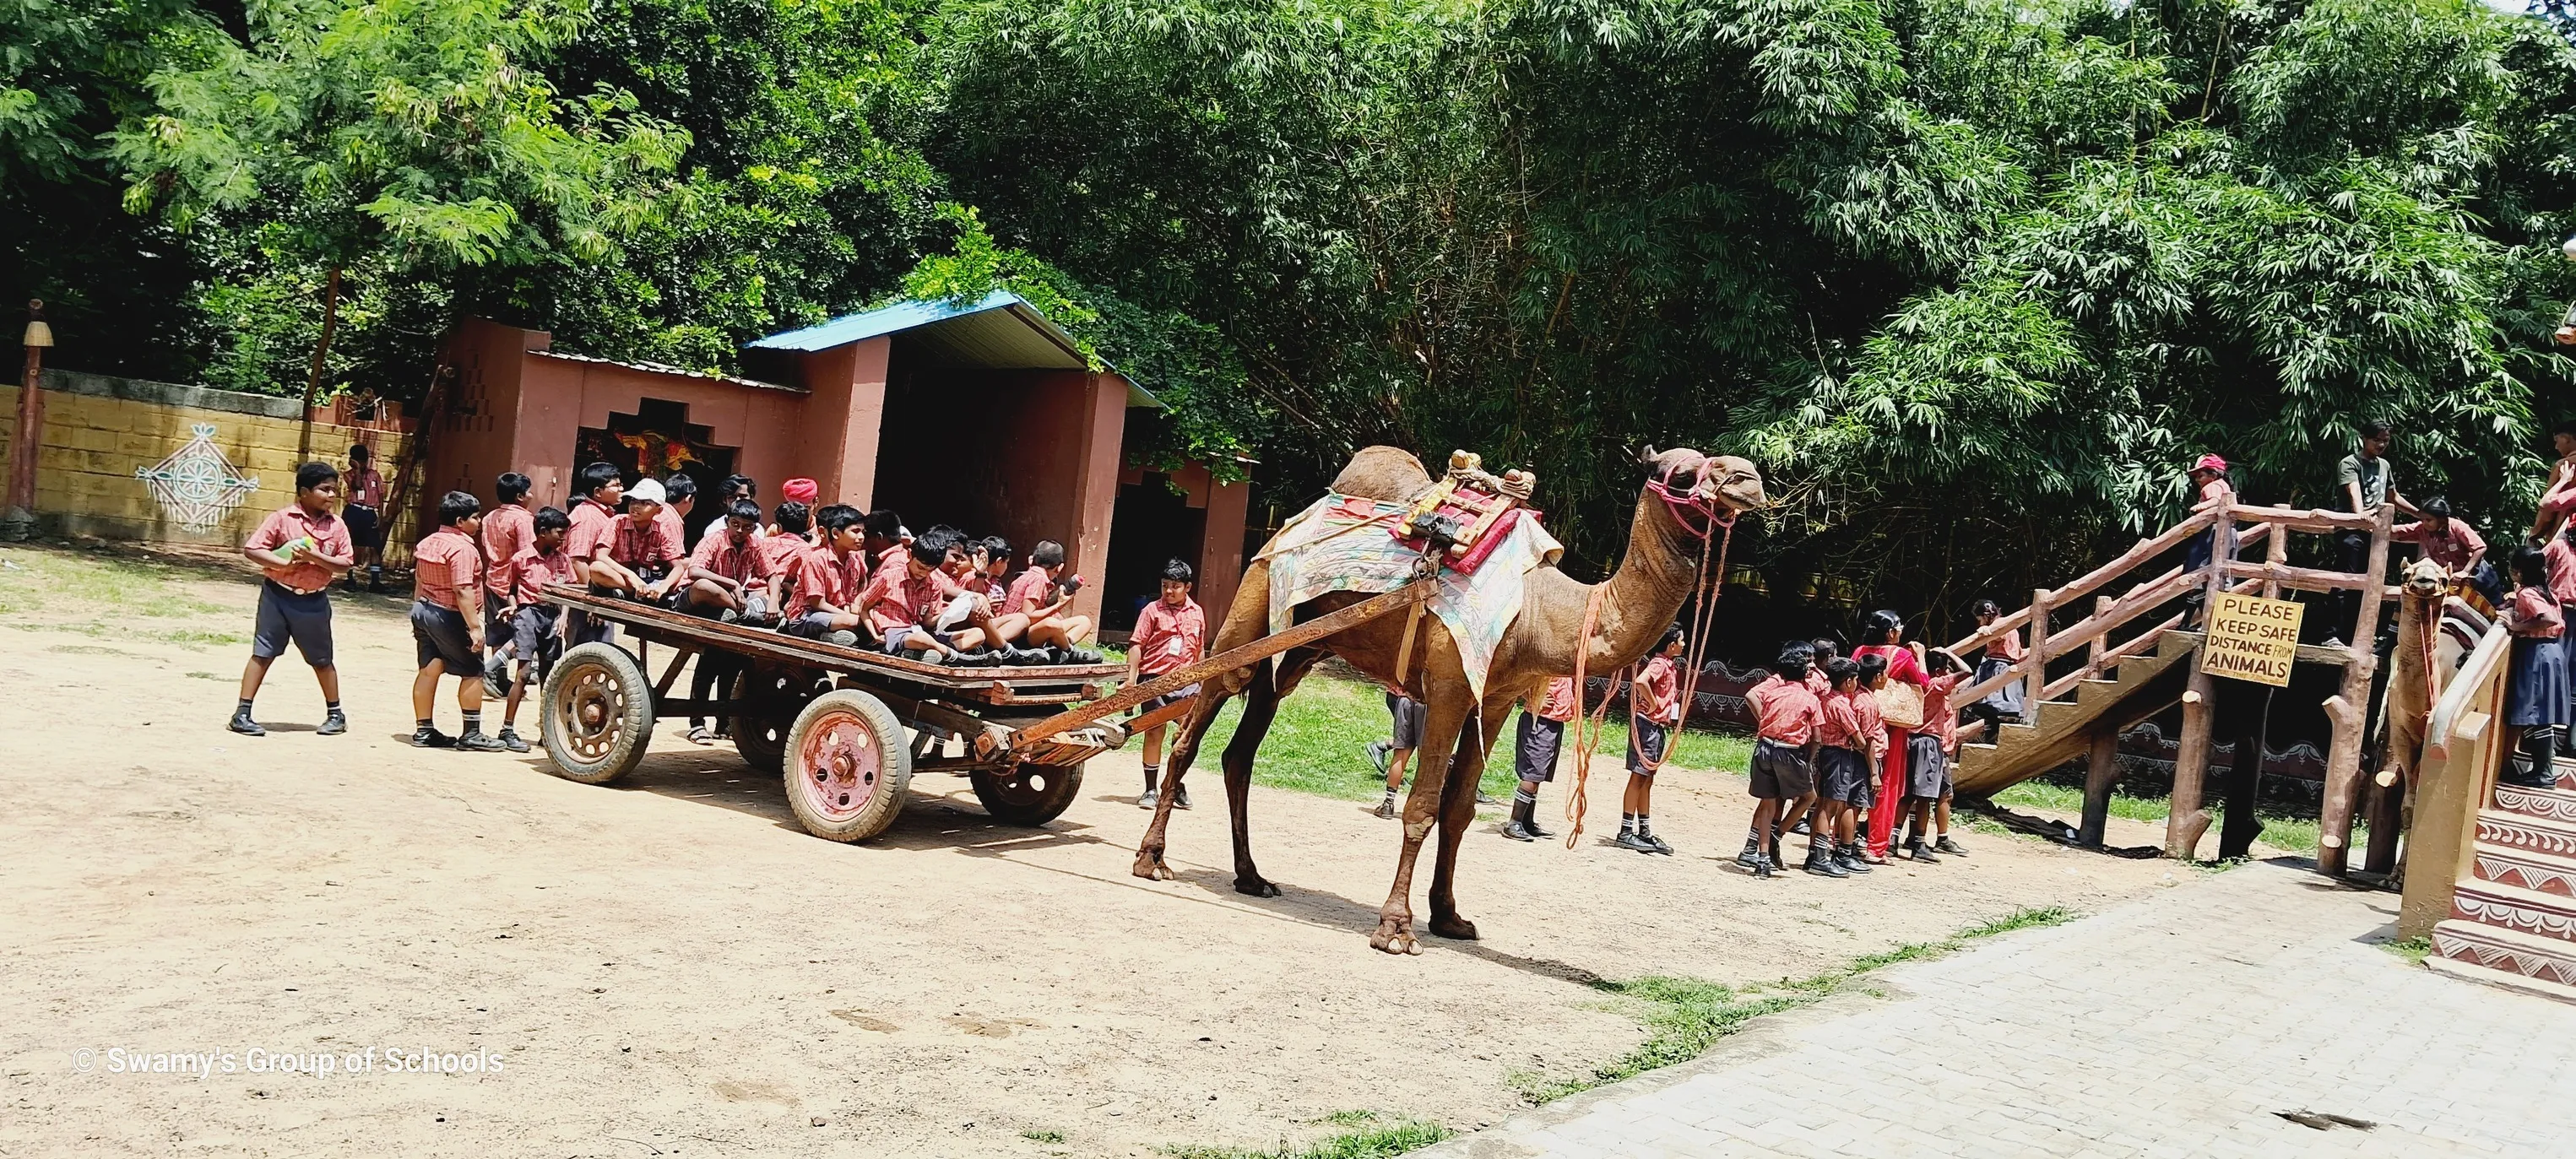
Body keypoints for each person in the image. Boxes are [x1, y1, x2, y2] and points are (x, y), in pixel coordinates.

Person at [231, 461, 354, 737]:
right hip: (277, 596)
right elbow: (253, 549)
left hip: (314, 602)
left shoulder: (337, 526)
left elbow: (345, 563)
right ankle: (242, 712)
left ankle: (336, 714)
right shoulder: (282, 519)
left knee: (322, 658)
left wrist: (314, 558)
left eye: (335, 491)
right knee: (263, 652)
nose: (332, 496)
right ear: (304, 492)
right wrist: (281, 564)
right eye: (324, 490)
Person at [409, 490, 503, 751]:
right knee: (473, 671)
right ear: (460, 521)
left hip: (423, 610)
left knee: (430, 668)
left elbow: (419, 580)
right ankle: (471, 734)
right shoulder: (462, 548)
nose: (480, 521)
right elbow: (463, 590)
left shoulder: (428, 542)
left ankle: (424, 730)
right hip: (448, 614)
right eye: (475, 517)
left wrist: (418, 612)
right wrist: (475, 627)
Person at [676, 499, 773, 745]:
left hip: (729, 611)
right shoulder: (714, 540)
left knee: (732, 661)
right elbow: (694, 572)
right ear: (727, 522)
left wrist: (773, 604)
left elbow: (772, 575)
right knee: (708, 664)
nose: (740, 531)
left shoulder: (754, 545)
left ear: (754, 528)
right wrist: (732, 584)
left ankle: (723, 722)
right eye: (735, 524)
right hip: (699, 603)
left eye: (747, 527)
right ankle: (696, 724)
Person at [2331, 420, 2420, 646]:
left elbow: (2393, 497)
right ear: (2364, 438)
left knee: (2369, 585)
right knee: (2345, 582)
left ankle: (2357, 638)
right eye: (2376, 440)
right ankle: (2332, 635)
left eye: (2385, 440)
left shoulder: (2384, 466)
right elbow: (2354, 491)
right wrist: (2361, 515)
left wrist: (2420, 514)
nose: (2381, 444)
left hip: (2376, 534)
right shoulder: (2350, 463)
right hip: (2352, 531)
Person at [1852, 609, 1930, 861]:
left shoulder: (1858, 651)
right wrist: (1921, 657)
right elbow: (1923, 683)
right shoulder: (1903, 655)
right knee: (1888, 784)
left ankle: (1841, 839)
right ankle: (1876, 846)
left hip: (1860, 718)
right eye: (1899, 627)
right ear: (1891, 632)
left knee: (1853, 778)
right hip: (1891, 726)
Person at [494, 506, 574, 753]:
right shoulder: (521, 558)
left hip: (552, 617)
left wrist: (564, 617)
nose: (563, 539)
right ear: (542, 532)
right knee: (523, 673)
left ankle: (547, 730)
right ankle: (507, 729)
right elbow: (510, 589)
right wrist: (513, 608)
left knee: (549, 676)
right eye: (559, 533)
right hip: (528, 613)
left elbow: (569, 593)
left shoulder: (563, 559)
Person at [1738, 639, 1820, 875]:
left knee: (1768, 802)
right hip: (1790, 752)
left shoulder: (1776, 692)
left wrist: (1769, 724)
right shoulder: (1785, 687)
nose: (1813, 666)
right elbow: (1817, 736)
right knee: (1806, 797)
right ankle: (1770, 838)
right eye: (1809, 662)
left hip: (1765, 747)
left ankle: (1761, 855)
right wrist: (1808, 758)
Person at [1131, 559, 1206, 811]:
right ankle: (1151, 790)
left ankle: (1175, 785)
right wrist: (1132, 680)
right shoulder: (1152, 610)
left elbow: (1200, 648)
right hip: (1154, 681)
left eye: (1175, 586)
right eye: (1165, 586)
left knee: (1185, 735)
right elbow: (1136, 644)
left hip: (1187, 683)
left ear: (1188, 587)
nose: (1169, 591)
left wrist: (1202, 679)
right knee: (1154, 732)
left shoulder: (1197, 612)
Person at [1618, 626, 1689, 855]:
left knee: (1647, 780)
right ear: (1671, 645)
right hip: (1647, 726)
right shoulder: (1659, 664)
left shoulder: (1668, 665)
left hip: (1655, 728)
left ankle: (1644, 831)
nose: (1684, 644)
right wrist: (1654, 704)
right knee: (1639, 777)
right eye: (1682, 640)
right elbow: (1641, 681)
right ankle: (1626, 831)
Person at [2503, 544, 2568, 788]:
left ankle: (2544, 773)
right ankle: (2543, 770)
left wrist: (2516, 627)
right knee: (2540, 715)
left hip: (2537, 654)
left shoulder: (2527, 594)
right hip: (2552, 651)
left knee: (2535, 714)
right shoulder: (2546, 591)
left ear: (2519, 572)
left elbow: (2550, 619)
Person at [1902, 649, 1973, 862]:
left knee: (1922, 794)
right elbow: (1967, 672)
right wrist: (1948, 652)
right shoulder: (1935, 685)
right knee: (1926, 795)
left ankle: (1909, 838)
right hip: (1930, 745)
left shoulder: (1916, 685)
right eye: (1946, 670)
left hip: (1930, 744)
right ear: (1938, 671)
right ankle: (1921, 841)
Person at [857, 534, 966, 663]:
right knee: (922, 639)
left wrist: (950, 613)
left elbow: (928, 622)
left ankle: (925, 652)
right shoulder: (889, 577)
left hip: (918, 631)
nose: (923, 573)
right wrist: (875, 635)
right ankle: (959, 658)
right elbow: (864, 609)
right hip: (894, 632)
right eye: (920, 567)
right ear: (909, 555)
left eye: (930, 570)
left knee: (977, 634)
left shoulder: (934, 585)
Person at [1810, 657, 1873, 877]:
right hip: (1839, 756)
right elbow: (1860, 740)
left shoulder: (1823, 699)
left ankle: (1813, 853)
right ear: (1849, 682)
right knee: (1831, 807)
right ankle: (1820, 859)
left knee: (1821, 805)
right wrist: (1863, 743)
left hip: (1823, 753)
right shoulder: (1841, 705)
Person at [478, 472, 537, 696]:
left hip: (493, 578)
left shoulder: (489, 517)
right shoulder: (523, 519)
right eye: (529, 491)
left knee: (497, 631)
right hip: (514, 585)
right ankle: (493, 671)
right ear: (521, 496)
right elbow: (526, 554)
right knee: (524, 631)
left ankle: (499, 678)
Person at [783, 505, 876, 646]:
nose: (861, 537)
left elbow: (863, 582)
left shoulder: (855, 559)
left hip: (836, 613)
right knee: (855, 621)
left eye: (863, 532)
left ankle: (833, 636)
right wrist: (847, 614)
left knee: (872, 619)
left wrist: (855, 604)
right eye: (855, 532)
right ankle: (830, 635)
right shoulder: (817, 559)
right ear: (836, 534)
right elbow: (817, 603)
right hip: (805, 616)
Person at [1504, 676, 1577, 841]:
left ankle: (1526, 821)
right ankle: (1514, 823)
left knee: (1539, 774)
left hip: (1553, 721)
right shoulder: (1544, 662)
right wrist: (1532, 697)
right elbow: (1518, 679)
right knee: (1533, 773)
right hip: (1540, 720)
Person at [1002, 539, 1099, 662]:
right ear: (1059, 568)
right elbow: (1028, 616)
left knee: (1084, 622)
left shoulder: (1025, 575)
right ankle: (1069, 652)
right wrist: (1059, 605)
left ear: (1031, 559)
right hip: (1019, 635)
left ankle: (1058, 650)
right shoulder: (1038, 579)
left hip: (1023, 631)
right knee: (1052, 624)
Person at [562, 462, 627, 645]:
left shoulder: (603, 514)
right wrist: (593, 600)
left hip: (598, 596)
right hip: (586, 600)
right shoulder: (588, 517)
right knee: (587, 652)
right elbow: (577, 560)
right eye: (615, 485)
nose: (621, 489)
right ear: (598, 492)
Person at [2392, 496, 2495, 608]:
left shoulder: (2457, 527)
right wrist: (2373, 523)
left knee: (2491, 609)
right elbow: (2395, 532)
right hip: (2452, 582)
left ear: (2441, 519)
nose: (2425, 523)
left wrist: (2465, 572)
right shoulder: (2422, 529)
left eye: (2429, 520)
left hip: (2478, 577)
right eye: (2423, 519)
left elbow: (2480, 547)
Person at [603, 478, 686, 605]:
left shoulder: (662, 529)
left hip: (650, 580)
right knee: (597, 568)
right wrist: (631, 576)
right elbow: (600, 556)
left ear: (658, 510)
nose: (636, 506)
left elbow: (678, 567)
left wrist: (663, 586)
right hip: (622, 577)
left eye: (644, 503)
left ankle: (646, 593)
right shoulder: (617, 522)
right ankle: (632, 591)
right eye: (633, 501)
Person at [1841, 653, 1890, 866]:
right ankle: (1845, 851)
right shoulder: (1867, 703)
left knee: (1851, 803)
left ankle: (1843, 847)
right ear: (1879, 676)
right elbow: (1868, 741)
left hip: (1857, 758)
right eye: (1885, 673)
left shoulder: (1856, 696)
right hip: (1865, 760)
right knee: (1855, 805)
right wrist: (1874, 773)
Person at [2182, 453, 2234, 627]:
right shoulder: (2225, 485)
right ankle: (2188, 622)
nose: (2197, 479)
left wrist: (2200, 507)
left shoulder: (2212, 486)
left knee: (2195, 575)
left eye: (2201, 475)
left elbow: (2215, 501)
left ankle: (2207, 622)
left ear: (2213, 474)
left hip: (2209, 536)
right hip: (2224, 535)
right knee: (2207, 580)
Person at [1962, 599, 2024, 741]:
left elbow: (1997, 634)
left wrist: (1984, 632)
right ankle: (1994, 735)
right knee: (2000, 708)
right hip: (2008, 667)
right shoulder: (2012, 627)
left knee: (1992, 706)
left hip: (1997, 667)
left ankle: (1992, 737)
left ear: (1986, 615)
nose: (1981, 623)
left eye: (1981, 620)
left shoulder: (1999, 624)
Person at [1369, 692, 1429, 821]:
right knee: (1425, 756)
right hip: (1428, 702)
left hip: (1405, 698)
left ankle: (1388, 804)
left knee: (1400, 753)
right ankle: (1420, 807)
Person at [339, 442, 388, 593]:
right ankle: (350, 578)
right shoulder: (349, 474)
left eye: (364, 460)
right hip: (354, 511)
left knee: (374, 547)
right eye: (359, 460)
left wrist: (380, 516)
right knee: (351, 545)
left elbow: (380, 495)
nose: (363, 463)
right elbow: (357, 486)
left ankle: (375, 581)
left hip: (369, 512)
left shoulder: (374, 475)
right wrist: (358, 470)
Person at [2550, 523, 2576, 756]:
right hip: (2559, 611)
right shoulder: (2559, 547)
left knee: (2571, 676)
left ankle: (2567, 742)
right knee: (2556, 672)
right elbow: (2535, 565)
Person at [2529, 421, 2576, 541]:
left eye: (2557, 441)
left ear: (2566, 439)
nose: (2556, 447)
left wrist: (2535, 533)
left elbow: (2547, 508)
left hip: (2564, 534)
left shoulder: (2564, 465)